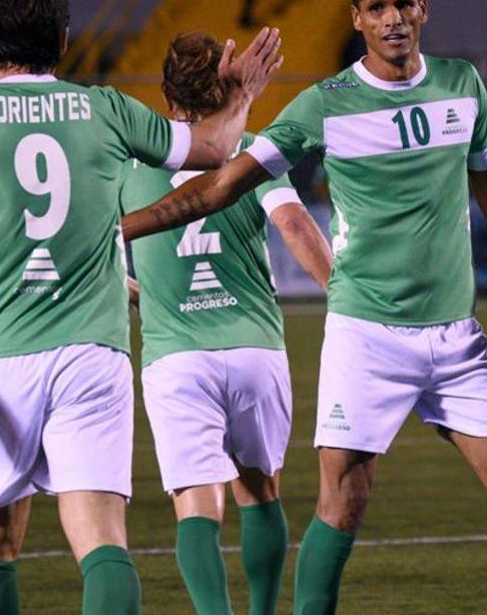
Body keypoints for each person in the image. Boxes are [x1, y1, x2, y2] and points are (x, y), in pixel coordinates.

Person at [119, 0, 487, 615]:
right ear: (357, 20)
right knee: (342, 503)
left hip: (455, 334)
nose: (392, 18)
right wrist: (122, 227)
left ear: (422, 9)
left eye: (402, 4)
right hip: (366, 336)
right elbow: (222, 183)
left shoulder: (462, 87)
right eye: (376, 8)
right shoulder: (324, 104)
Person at [0, 0, 282, 614]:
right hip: (92, 355)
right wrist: (242, 94)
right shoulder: (104, 109)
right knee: (104, 547)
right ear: (64, 36)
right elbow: (218, 148)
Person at [122, 31, 332, 615]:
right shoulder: (252, 149)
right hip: (253, 348)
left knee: (197, 505)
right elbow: (292, 225)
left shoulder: (131, 160)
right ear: (226, 86)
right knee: (260, 493)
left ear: (166, 95)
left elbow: (93, 250)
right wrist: (341, 294)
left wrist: (141, 293)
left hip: (175, 356)